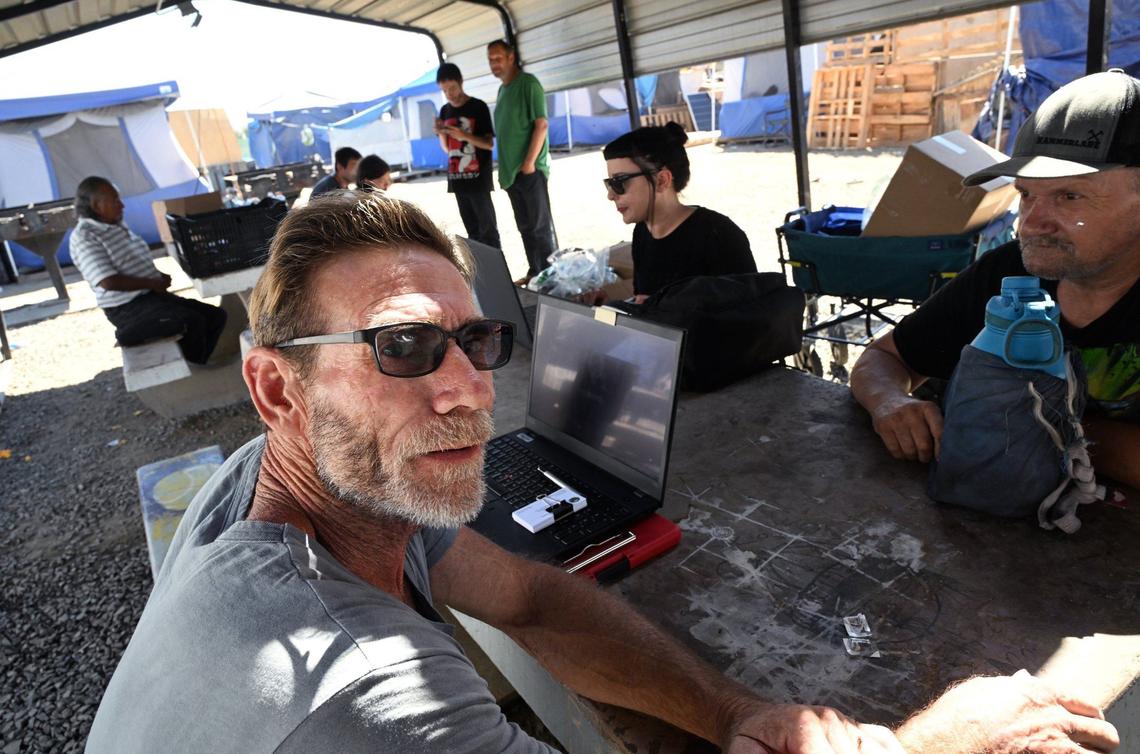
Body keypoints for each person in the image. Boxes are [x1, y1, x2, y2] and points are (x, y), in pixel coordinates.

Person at [87, 192, 1119, 754]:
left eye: (475, 343)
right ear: (276, 390)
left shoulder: (290, 484)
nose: (468, 391)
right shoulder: (364, 689)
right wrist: (929, 747)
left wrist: (732, 713)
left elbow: (530, 594)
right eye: (402, 348)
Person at [849, 69, 1140, 491]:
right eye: (1026, 195)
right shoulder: (1009, 272)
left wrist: (1035, 424)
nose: (1031, 224)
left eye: (1069, 196)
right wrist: (891, 402)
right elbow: (885, 359)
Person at [70, 176, 226, 364]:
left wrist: (156, 276)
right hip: (126, 308)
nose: (121, 205)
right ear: (96, 206)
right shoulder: (85, 236)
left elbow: (130, 261)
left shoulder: (114, 226)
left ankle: (196, 365)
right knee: (192, 322)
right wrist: (152, 282)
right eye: (115, 200)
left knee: (215, 316)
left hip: (150, 297)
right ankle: (189, 370)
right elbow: (108, 281)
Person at [603, 123, 757, 303]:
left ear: (662, 180)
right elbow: (647, 297)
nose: (610, 195)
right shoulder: (642, 232)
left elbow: (752, 315)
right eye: (609, 183)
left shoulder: (718, 235)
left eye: (619, 182)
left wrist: (660, 309)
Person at [488, 39, 556, 278]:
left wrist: (528, 163)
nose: (493, 64)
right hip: (512, 174)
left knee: (539, 229)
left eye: (498, 58)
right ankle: (536, 272)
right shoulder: (502, 90)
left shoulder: (528, 84)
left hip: (530, 170)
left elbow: (542, 124)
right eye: (490, 60)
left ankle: (551, 279)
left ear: (511, 57)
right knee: (525, 228)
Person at [435, 62, 501, 250]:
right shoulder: (445, 110)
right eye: (445, 91)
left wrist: (464, 135)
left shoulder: (478, 106)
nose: (450, 94)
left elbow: (488, 144)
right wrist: (441, 132)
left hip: (478, 179)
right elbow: (448, 149)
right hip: (457, 180)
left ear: (461, 82)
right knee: (473, 234)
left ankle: (498, 277)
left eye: (453, 88)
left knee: (489, 232)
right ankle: (482, 277)